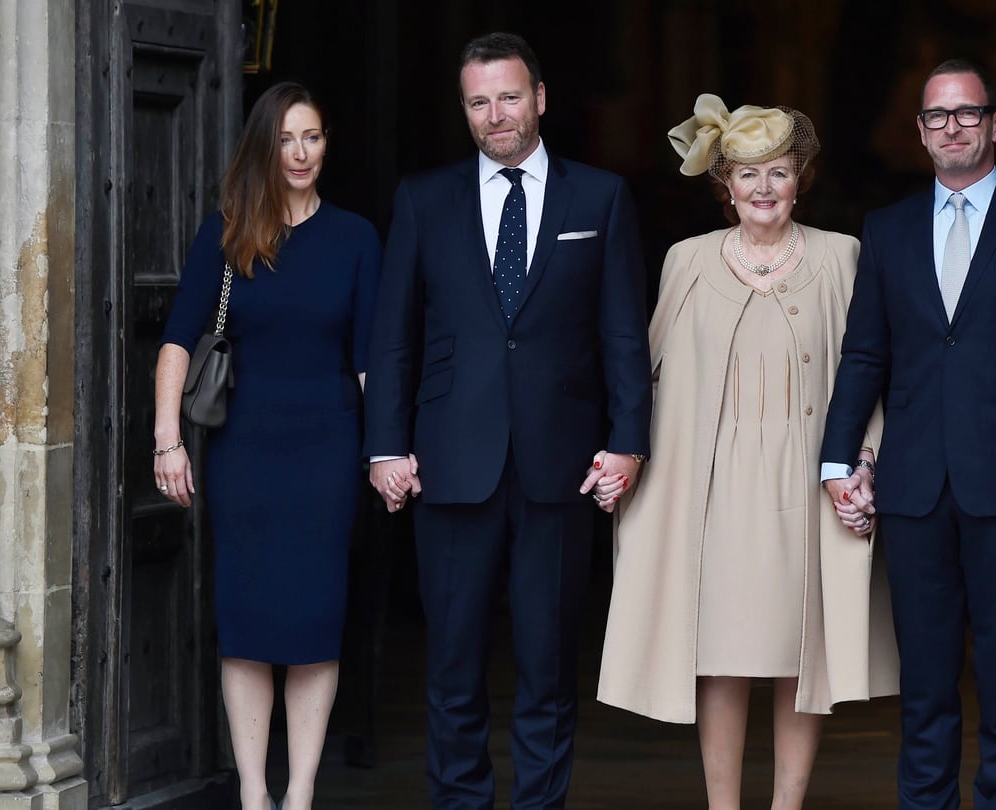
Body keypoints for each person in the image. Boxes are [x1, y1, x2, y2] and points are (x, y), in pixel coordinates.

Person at [361, 32, 653, 809]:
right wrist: (385, 445)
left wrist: (628, 443)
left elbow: (623, 333)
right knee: (452, 664)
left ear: (541, 99)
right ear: (465, 109)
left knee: (549, 665)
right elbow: (393, 336)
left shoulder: (601, 198)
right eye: (479, 101)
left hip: (562, 467)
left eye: (509, 97)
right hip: (451, 460)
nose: (496, 115)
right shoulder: (424, 199)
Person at [596, 94, 899, 810]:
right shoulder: (686, 260)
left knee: (802, 658)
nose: (764, 188)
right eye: (747, 173)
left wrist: (866, 463)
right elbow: (643, 378)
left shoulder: (841, 256)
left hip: (808, 480)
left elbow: (871, 372)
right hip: (711, 486)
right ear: (723, 184)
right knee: (721, 658)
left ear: (802, 178)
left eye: (780, 172)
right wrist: (624, 456)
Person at [820, 59, 996, 809]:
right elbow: (865, 354)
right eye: (937, 116)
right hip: (912, 486)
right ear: (919, 131)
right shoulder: (886, 229)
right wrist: (838, 459)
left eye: (967, 114)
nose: (952, 127)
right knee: (925, 681)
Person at [153, 82, 381, 810]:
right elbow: (177, 344)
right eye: (285, 139)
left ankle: (301, 792)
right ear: (264, 146)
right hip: (245, 456)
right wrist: (168, 442)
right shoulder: (226, 232)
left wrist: (386, 452)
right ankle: (254, 792)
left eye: (311, 137)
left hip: (328, 455)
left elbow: (371, 358)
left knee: (316, 623)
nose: (300, 153)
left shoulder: (354, 237)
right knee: (248, 624)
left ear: (326, 142)